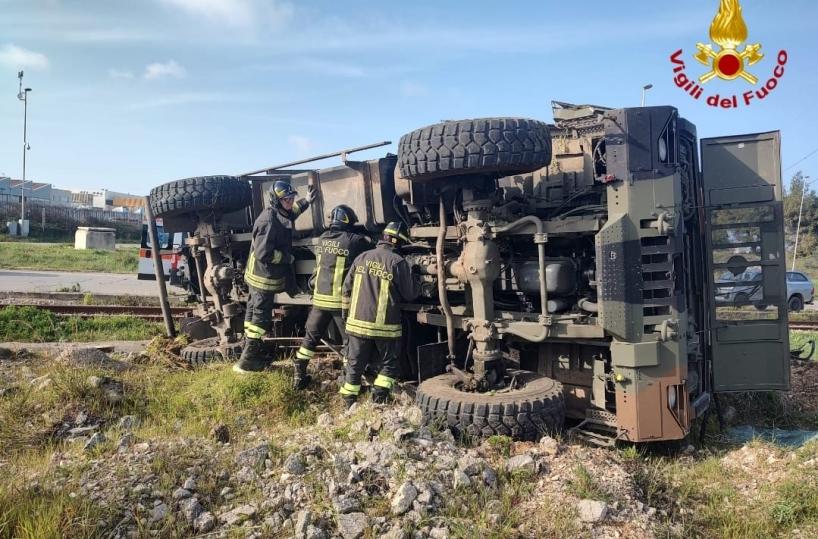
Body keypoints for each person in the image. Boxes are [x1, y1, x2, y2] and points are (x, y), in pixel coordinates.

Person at [234, 180, 317, 373]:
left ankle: (250, 348)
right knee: (261, 318)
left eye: (291, 198)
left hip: (262, 277)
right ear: (276, 200)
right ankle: (247, 361)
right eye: (286, 199)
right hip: (263, 278)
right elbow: (264, 254)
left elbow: (290, 214)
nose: (289, 201)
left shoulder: (279, 213)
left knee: (252, 314)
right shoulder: (268, 221)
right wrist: (287, 257)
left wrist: (306, 202)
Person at [339, 221, 420, 406]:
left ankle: (348, 402)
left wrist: (347, 317)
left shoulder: (361, 257)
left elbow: (345, 289)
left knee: (354, 364)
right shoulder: (397, 262)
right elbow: (411, 294)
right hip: (385, 328)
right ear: (398, 243)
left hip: (356, 325)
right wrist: (414, 275)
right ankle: (379, 399)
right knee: (390, 365)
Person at [292, 205, 373, 389]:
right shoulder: (353, 240)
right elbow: (369, 248)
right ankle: (349, 379)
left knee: (310, 339)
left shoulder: (322, 239)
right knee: (349, 342)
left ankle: (299, 374)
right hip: (338, 302)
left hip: (320, 300)